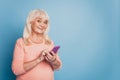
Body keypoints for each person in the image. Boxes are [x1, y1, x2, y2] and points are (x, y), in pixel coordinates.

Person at [11, 9, 62, 80]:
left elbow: (58, 67)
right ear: (30, 22)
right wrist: (39, 59)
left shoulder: (49, 43)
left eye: (45, 22)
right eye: (39, 21)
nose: (42, 25)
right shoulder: (21, 42)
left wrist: (53, 60)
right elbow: (16, 70)